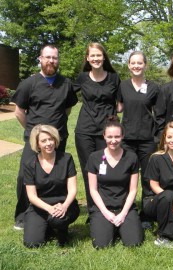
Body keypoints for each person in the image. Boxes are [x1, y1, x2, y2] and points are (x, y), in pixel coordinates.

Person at [13, 44, 78, 230]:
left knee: (57, 176)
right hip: (35, 142)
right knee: (23, 177)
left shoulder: (65, 84)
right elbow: (19, 111)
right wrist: (35, 134)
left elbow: (68, 108)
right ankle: (23, 214)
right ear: (40, 58)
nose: (51, 61)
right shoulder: (29, 83)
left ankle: (57, 209)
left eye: (55, 58)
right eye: (48, 57)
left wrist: (54, 134)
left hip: (58, 140)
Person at [74, 42, 120, 211]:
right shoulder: (83, 78)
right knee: (89, 170)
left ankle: (108, 205)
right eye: (92, 55)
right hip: (84, 130)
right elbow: (67, 95)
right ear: (87, 58)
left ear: (104, 57)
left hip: (107, 131)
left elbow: (121, 102)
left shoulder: (114, 77)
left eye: (98, 55)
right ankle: (93, 209)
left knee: (106, 169)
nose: (95, 58)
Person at [86, 116, 144, 248]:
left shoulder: (131, 157)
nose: (113, 141)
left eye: (117, 137)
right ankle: (109, 226)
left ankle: (122, 226)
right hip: (103, 208)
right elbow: (93, 190)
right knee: (101, 245)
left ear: (122, 136)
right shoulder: (94, 158)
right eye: (110, 137)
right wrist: (106, 212)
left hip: (125, 208)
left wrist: (123, 213)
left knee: (134, 243)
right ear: (104, 136)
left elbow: (133, 190)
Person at [117, 51, 159, 218]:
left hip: (148, 139)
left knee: (148, 179)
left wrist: (158, 136)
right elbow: (118, 108)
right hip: (127, 139)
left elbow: (160, 112)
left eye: (139, 63)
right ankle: (127, 211)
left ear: (145, 65)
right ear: (128, 65)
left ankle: (147, 214)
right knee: (126, 176)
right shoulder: (123, 86)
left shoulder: (154, 87)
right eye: (133, 63)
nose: (136, 66)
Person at [23, 124, 79, 248]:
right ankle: (47, 227)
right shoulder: (30, 164)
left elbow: (73, 189)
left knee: (57, 220)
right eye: (44, 141)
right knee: (32, 243)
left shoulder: (66, 158)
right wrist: (49, 209)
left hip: (64, 205)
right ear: (37, 144)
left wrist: (64, 206)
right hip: (40, 207)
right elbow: (32, 196)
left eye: (51, 139)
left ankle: (62, 231)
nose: (49, 143)